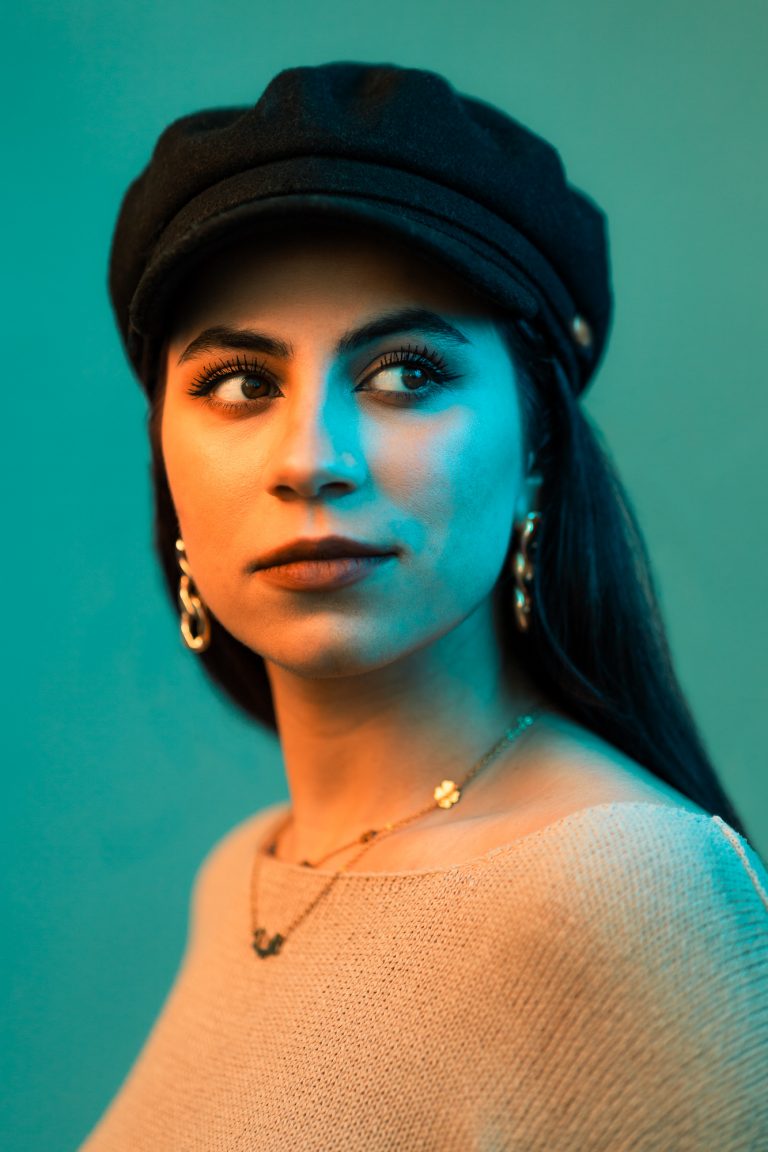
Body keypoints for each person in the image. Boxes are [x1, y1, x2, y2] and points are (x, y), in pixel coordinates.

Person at [79, 62, 767, 1150]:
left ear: (539, 448)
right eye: (242, 385)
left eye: (405, 374)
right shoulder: (249, 878)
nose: (311, 460)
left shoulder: (621, 891)